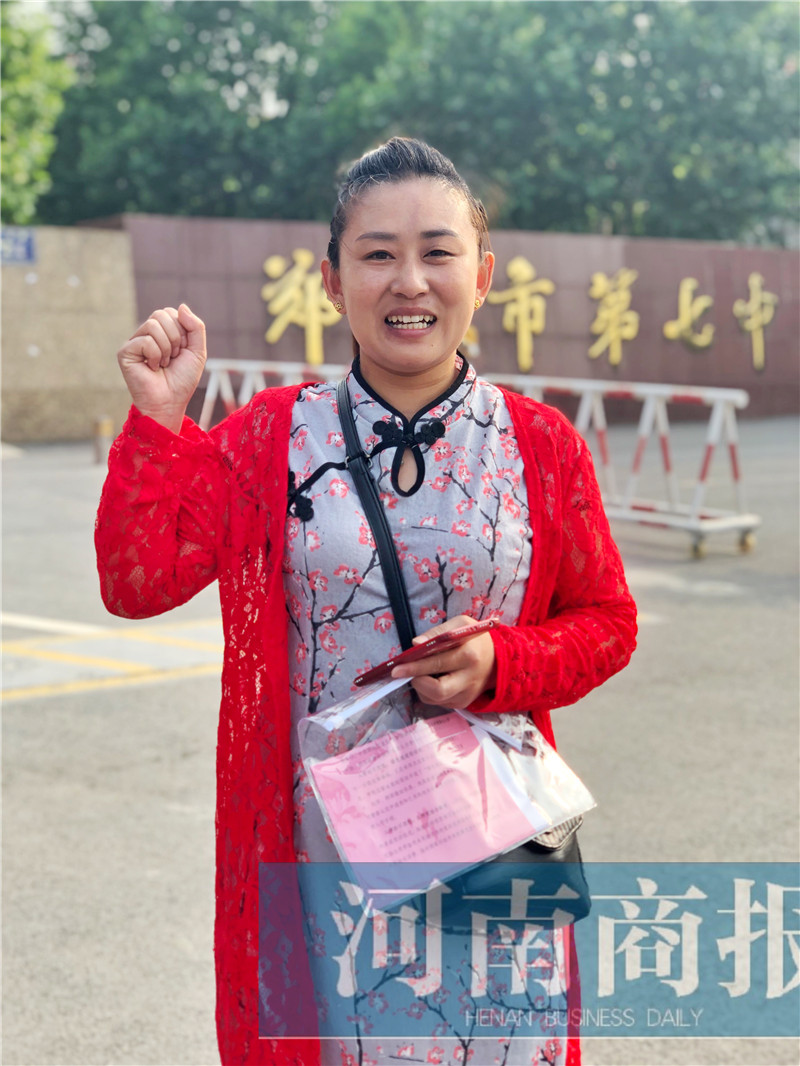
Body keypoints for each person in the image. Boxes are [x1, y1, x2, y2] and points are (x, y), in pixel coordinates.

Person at [96, 137, 637, 1066]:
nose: (409, 282)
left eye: (437, 252)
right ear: (333, 280)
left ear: (483, 275)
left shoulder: (541, 445)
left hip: (490, 847)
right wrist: (158, 416)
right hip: (326, 861)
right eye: (378, 254)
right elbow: (137, 583)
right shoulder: (270, 439)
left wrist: (501, 662)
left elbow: (608, 623)